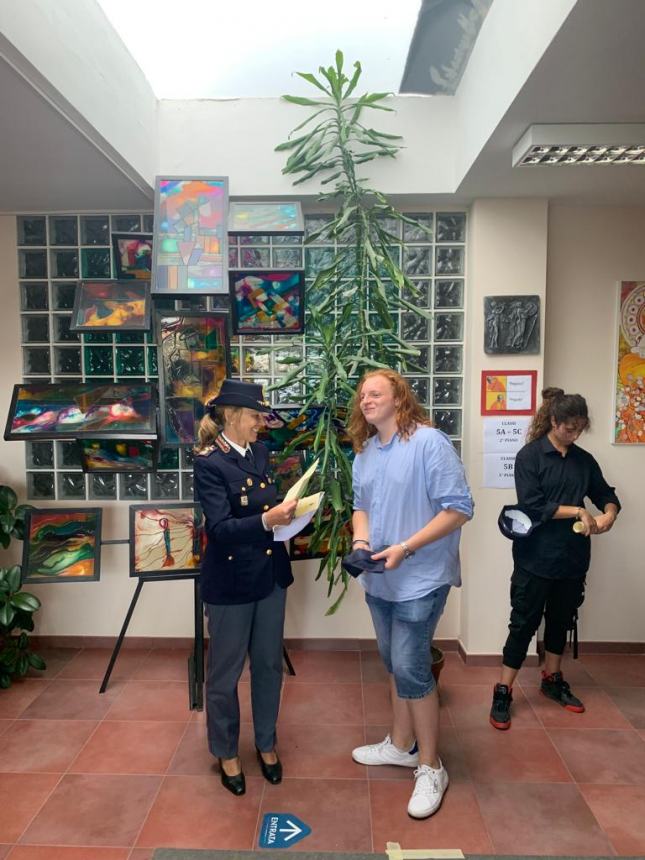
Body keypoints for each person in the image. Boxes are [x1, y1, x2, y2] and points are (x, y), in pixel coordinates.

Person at [347, 369, 473, 819]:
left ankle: (430, 765)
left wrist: (405, 547)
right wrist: (362, 542)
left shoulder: (428, 443)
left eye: (375, 392)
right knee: (393, 663)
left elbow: (459, 508)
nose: (366, 400)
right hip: (379, 578)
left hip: (420, 578)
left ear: (399, 398)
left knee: (413, 669)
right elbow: (361, 507)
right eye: (362, 395)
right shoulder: (364, 452)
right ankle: (401, 745)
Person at [490, 387, 621, 730]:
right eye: (568, 428)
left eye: (579, 429)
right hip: (535, 558)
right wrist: (579, 508)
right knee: (523, 623)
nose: (574, 434)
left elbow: (606, 494)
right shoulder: (529, 457)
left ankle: (552, 678)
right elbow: (533, 505)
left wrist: (609, 513)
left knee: (561, 621)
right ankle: (503, 689)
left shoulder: (584, 460)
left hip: (573, 559)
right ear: (553, 421)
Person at [194, 379, 298, 796]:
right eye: (257, 416)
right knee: (225, 673)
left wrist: (289, 515)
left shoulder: (261, 453)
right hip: (232, 582)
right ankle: (226, 752)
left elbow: (263, 504)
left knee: (269, 665)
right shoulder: (209, 462)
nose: (262, 422)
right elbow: (219, 529)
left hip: (270, 576)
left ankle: (266, 743)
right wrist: (267, 522)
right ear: (233, 415)